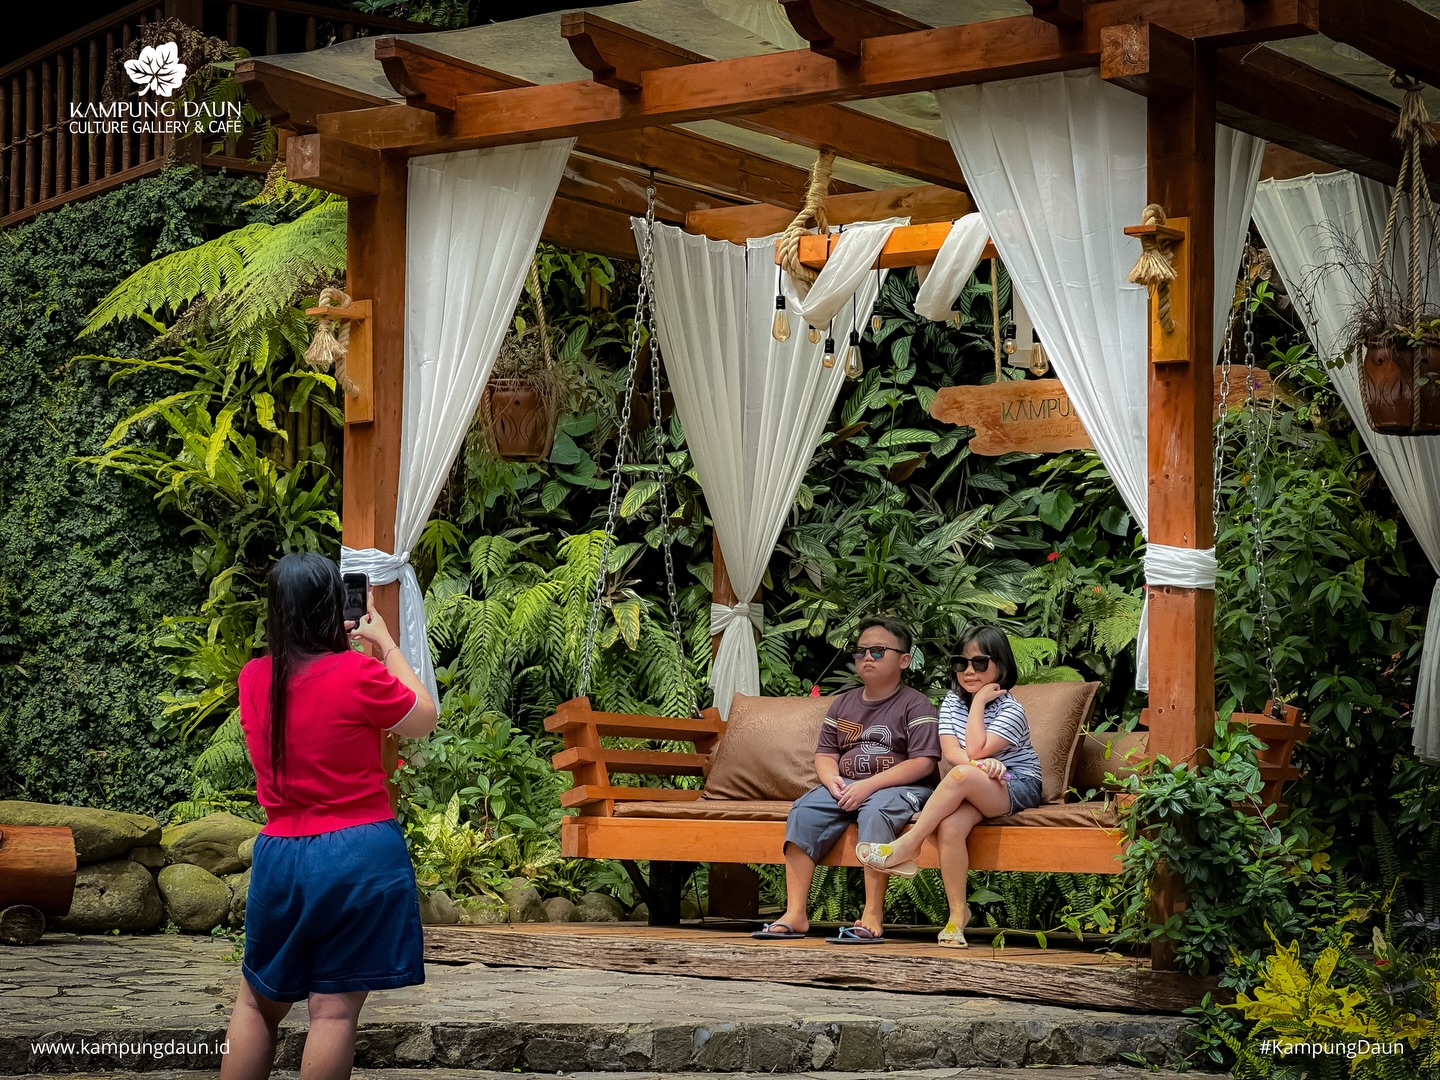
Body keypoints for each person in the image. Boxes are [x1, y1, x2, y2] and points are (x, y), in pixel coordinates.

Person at [221, 553, 438, 1080]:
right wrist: (384, 644)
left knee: (254, 1005)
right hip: (357, 854)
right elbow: (422, 718)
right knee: (334, 1010)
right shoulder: (359, 674)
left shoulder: (253, 679)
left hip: (281, 857)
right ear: (331, 607)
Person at [752, 617, 940, 945]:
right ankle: (795, 913)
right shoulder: (844, 703)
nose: (867, 657)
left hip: (901, 789)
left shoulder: (915, 703)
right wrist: (832, 781)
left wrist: (868, 786)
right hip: (848, 787)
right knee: (804, 809)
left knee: (876, 810)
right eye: (860, 651)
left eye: (879, 651)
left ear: (904, 660)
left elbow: (924, 762)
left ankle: (872, 915)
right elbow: (826, 754)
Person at [856, 625, 1042, 948]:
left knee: (960, 776)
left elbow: (975, 749)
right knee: (951, 827)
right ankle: (958, 916)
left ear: (1001, 665)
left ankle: (909, 845)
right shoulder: (952, 704)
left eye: (980, 663)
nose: (969, 671)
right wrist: (978, 766)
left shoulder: (1012, 709)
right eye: (961, 663)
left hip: (1017, 782)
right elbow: (953, 753)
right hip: (979, 781)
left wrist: (981, 702)